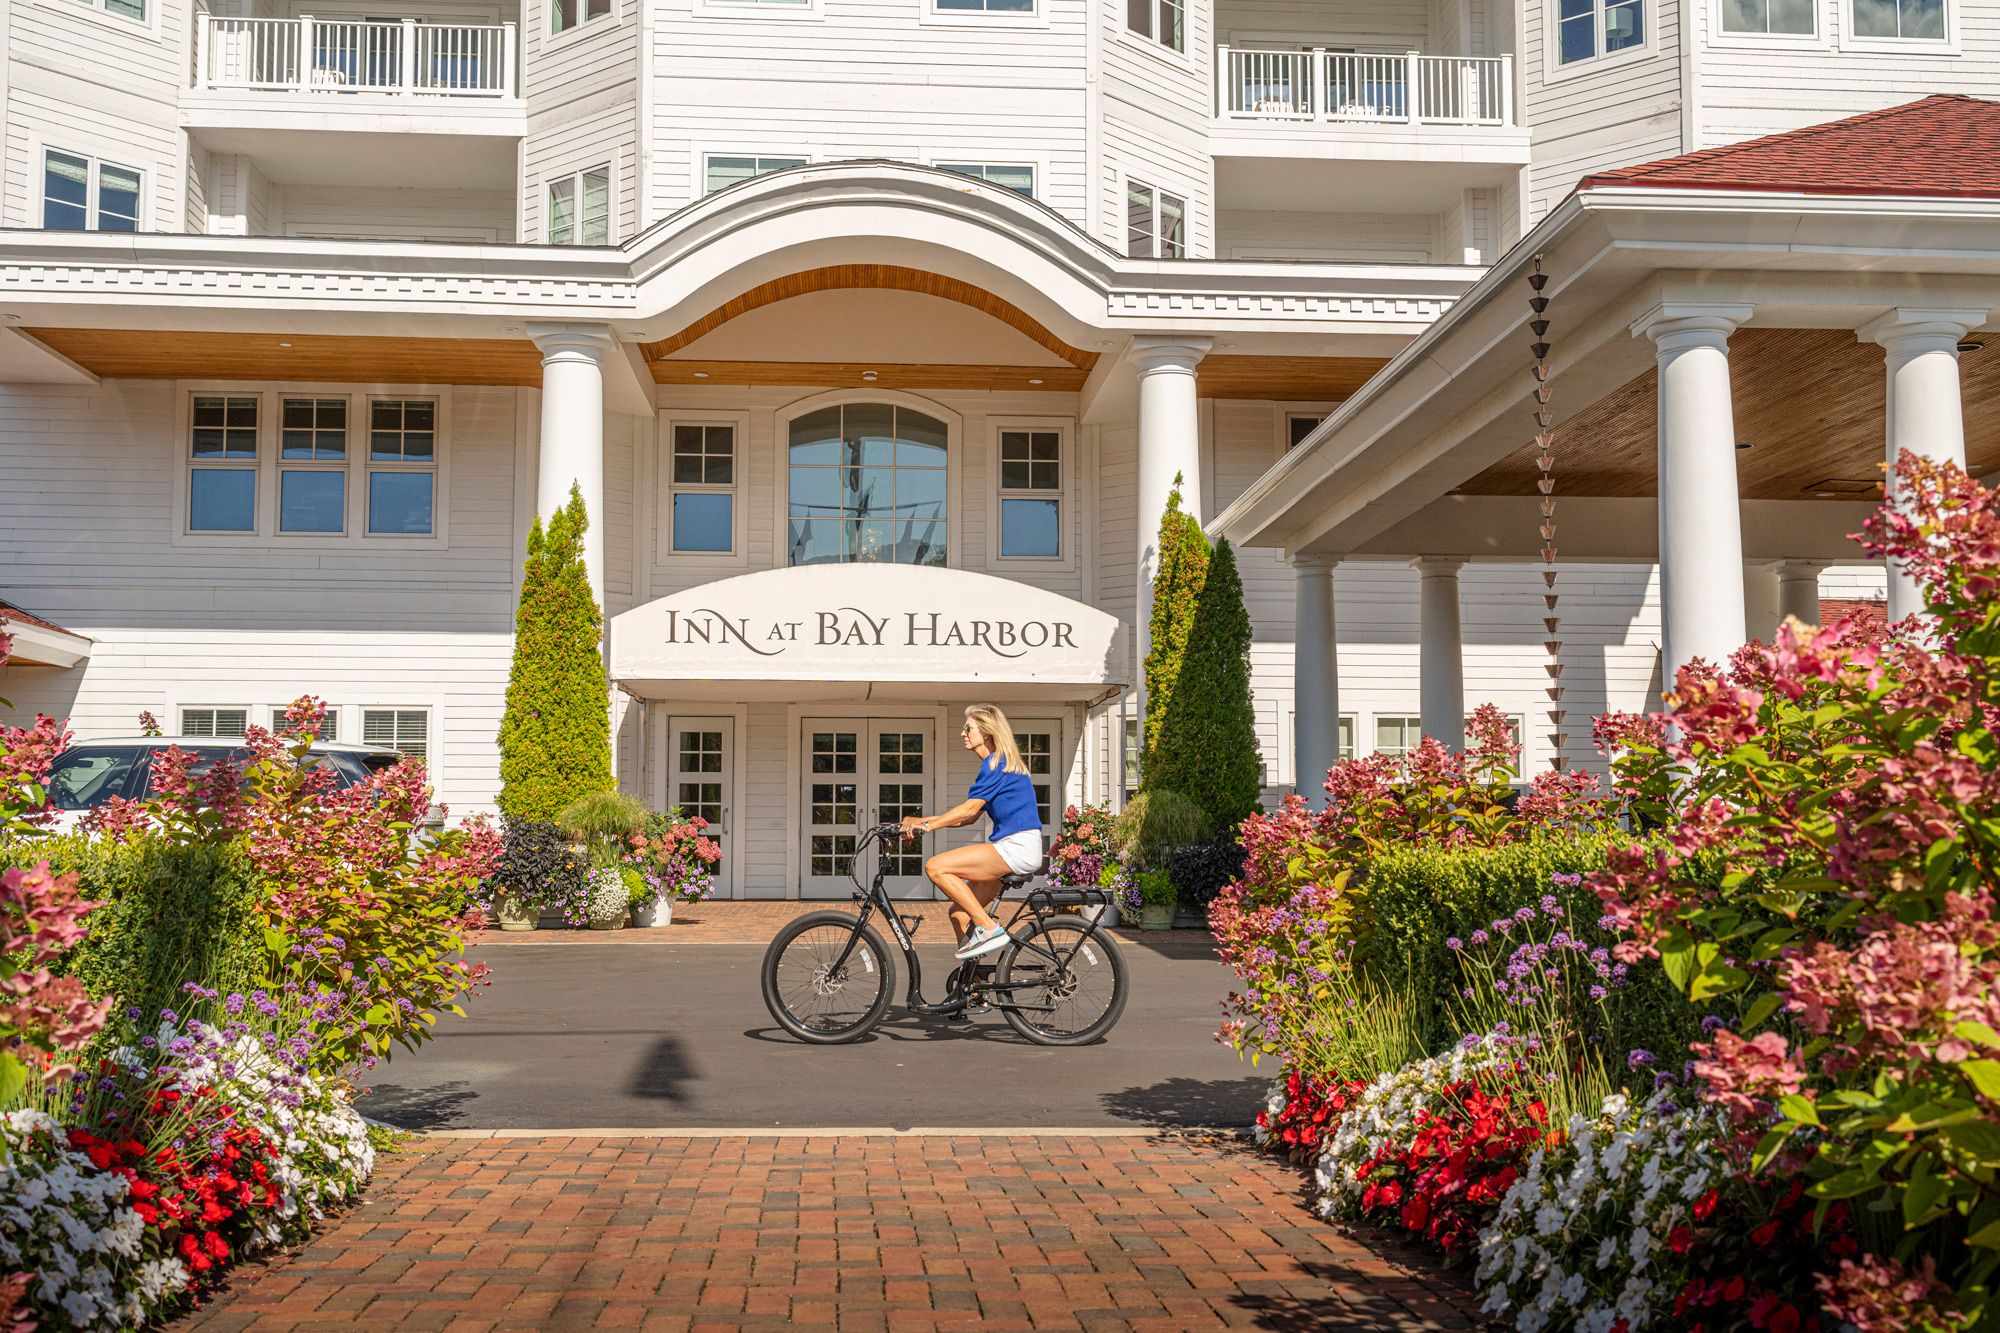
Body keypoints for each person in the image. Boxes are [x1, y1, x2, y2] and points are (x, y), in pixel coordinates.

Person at [899, 704, 1044, 961]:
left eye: (968, 728)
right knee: (959, 914)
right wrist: (919, 821)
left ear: (986, 732)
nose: (963, 733)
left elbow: (968, 810)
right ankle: (974, 990)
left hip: (1015, 848)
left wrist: (928, 827)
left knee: (936, 867)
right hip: (1015, 847)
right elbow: (967, 818)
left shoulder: (996, 763)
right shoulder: (999, 764)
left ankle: (989, 928)